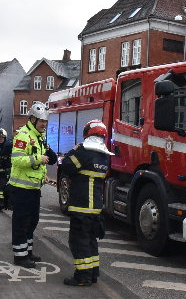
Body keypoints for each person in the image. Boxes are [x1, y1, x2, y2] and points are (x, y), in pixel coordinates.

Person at [60, 120, 113, 286]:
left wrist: (72, 150)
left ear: (88, 134)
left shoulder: (83, 152)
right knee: (90, 241)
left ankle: (82, 276)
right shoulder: (104, 156)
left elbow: (67, 166)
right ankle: (93, 273)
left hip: (81, 206)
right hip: (95, 208)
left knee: (78, 241)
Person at [8, 102, 57, 268]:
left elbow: (43, 161)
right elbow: (16, 159)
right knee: (21, 223)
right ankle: (19, 256)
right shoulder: (23, 135)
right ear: (32, 119)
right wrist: (38, 159)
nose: (44, 124)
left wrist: (44, 176)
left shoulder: (39, 136)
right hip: (21, 189)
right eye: (41, 120)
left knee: (32, 221)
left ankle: (27, 252)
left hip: (34, 188)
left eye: (45, 121)